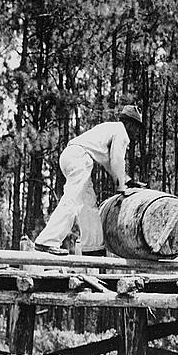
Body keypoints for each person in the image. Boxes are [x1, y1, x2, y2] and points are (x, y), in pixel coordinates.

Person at [34, 105, 145, 256]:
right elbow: (117, 160)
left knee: (88, 204)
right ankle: (47, 241)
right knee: (72, 200)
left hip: (72, 155)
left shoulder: (111, 128)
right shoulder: (121, 132)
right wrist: (121, 188)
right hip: (79, 158)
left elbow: (109, 162)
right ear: (130, 124)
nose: (136, 132)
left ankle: (93, 248)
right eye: (136, 127)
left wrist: (127, 180)